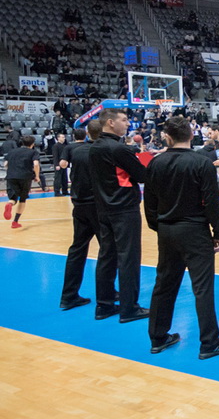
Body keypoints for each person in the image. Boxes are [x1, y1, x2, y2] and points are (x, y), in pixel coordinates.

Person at [145, 116, 219, 360]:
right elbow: (211, 203)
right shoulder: (201, 162)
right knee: (202, 288)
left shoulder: (155, 163)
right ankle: (209, 342)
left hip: (166, 230)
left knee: (163, 285)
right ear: (191, 135)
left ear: (167, 137)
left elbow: (149, 203)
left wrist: (159, 226)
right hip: (195, 231)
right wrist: (218, 232)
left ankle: (158, 338)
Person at [88, 108, 150, 322]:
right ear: (111, 123)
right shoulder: (119, 149)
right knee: (129, 258)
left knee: (107, 256)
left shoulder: (94, 147)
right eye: (124, 120)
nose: (128, 124)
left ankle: (103, 306)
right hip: (124, 209)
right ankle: (129, 308)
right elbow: (142, 175)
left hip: (103, 208)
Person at [58, 123, 113, 310]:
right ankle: (107, 295)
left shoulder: (76, 151)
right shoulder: (101, 152)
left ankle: (68, 296)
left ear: (88, 133)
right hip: (97, 205)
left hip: (79, 204)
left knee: (77, 250)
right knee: (108, 250)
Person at [4, 135, 41, 229]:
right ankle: (15, 221)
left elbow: (5, 164)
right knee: (22, 199)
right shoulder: (33, 152)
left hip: (11, 176)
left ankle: (9, 204)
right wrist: (37, 176)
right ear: (32, 144)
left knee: (13, 197)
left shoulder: (12, 151)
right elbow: (36, 164)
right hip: (25, 177)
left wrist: (12, 170)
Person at [52, 132, 69, 196]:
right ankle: (57, 192)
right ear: (58, 138)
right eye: (62, 137)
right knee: (58, 179)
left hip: (64, 164)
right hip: (58, 164)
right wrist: (57, 165)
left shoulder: (65, 145)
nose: (64, 138)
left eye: (64, 137)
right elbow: (55, 156)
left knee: (65, 178)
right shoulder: (56, 146)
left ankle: (65, 191)